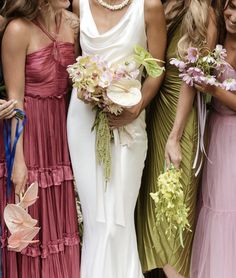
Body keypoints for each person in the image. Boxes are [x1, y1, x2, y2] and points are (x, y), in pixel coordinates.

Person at [67, 0, 166, 277]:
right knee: (96, 218)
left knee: (117, 220)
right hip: (83, 120)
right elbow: (73, 64)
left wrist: (137, 108)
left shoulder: (149, 6)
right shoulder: (79, 5)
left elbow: (156, 69)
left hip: (128, 121)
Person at [136, 1, 218, 277]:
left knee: (172, 218)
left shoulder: (203, 16)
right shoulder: (162, 6)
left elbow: (190, 82)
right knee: (150, 212)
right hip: (153, 115)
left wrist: (175, 136)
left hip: (179, 122)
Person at [0, 0, 80, 277]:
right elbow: (15, 101)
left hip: (61, 130)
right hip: (30, 133)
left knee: (60, 218)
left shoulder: (72, 23)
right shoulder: (18, 30)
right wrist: (18, 160)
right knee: (31, 215)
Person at [190, 0, 236, 277]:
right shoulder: (216, 39)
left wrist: (213, 89)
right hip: (216, 131)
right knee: (214, 203)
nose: (233, 16)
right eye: (231, 7)